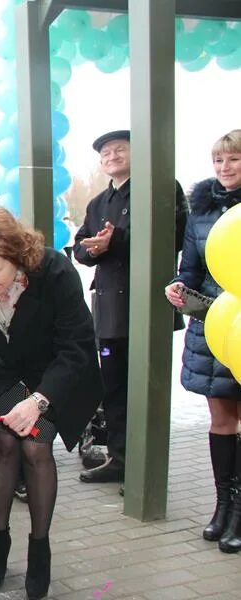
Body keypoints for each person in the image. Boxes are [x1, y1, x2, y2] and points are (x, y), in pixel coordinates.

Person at [0, 204, 101, 600]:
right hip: (5, 371)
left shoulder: (54, 271)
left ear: (17, 256)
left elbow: (77, 346)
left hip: (54, 372)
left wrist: (39, 400)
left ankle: (40, 547)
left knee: (34, 445)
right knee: (2, 442)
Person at [75, 129, 187, 485]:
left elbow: (173, 235)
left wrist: (116, 240)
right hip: (109, 314)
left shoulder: (161, 187)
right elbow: (80, 247)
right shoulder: (97, 203)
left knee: (146, 390)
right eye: (105, 152)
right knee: (114, 390)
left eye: (119, 149)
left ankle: (145, 467)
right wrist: (91, 249)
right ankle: (119, 459)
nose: (112, 156)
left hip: (146, 307)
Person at [165, 129, 241, 553]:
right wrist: (177, 288)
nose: (225, 168)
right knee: (222, 420)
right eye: (218, 161)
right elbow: (189, 268)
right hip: (214, 328)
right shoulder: (202, 209)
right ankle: (223, 505)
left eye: (233, 159)